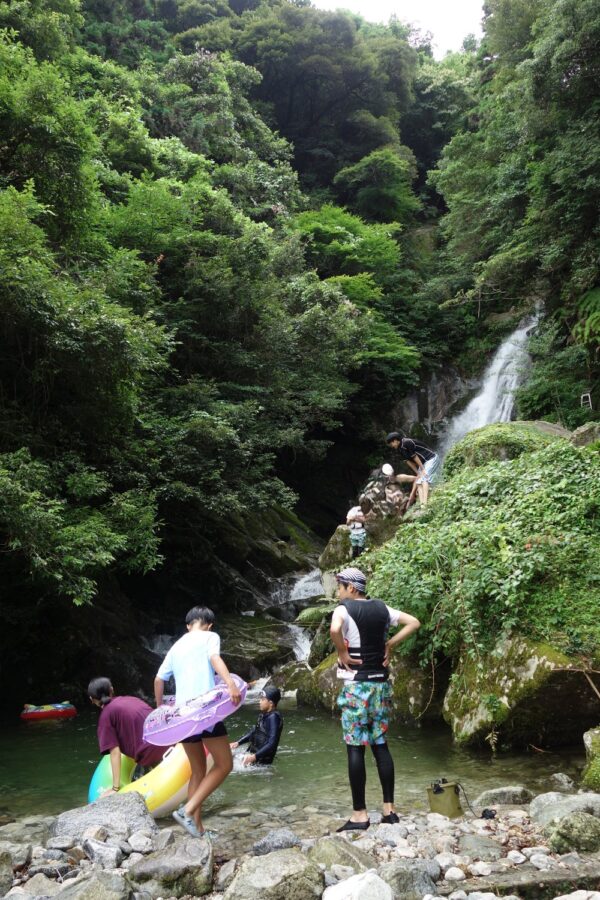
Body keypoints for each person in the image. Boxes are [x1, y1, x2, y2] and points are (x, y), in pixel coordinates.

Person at [330, 566, 420, 831]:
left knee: (355, 748)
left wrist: (342, 653)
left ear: (352, 588)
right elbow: (414, 622)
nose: (339, 591)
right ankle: (389, 811)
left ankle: (360, 814)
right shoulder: (383, 608)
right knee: (380, 744)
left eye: (341, 586)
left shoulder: (343, 610)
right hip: (380, 685)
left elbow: (336, 630)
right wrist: (390, 645)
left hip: (356, 687)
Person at [154, 606, 241, 838]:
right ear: (209, 624)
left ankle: (198, 830)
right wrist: (230, 684)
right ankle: (188, 810)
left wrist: (161, 707)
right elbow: (215, 658)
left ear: (188, 625)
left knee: (197, 771)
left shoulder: (176, 645)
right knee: (225, 765)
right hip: (205, 712)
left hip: (183, 716)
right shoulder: (210, 636)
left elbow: (159, 678)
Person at [88, 677, 165, 795]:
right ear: (112, 690)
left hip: (152, 755)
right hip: (169, 741)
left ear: (92, 699)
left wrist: (115, 788)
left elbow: (115, 752)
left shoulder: (105, 717)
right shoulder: (131, 699)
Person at [230, 685, 283, 766]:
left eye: (263, 699)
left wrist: (254, 757)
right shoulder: (264, 715)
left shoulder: (274, 717)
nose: (259, 701)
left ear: (271, 703)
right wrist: (238, 742)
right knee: (228, 757)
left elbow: (272, 743)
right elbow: (254, 732)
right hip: (253, 756)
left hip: (261, 762)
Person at [386, 431, 440, 507]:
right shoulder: (399, 449)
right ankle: (423, 505)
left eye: (391, 443)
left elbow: (415, 457)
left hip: (431, 458)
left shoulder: (406, 442)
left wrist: (423, 469)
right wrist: (418, 473)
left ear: (395, 440)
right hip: (424, 463)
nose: (391, 445)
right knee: (418, 481)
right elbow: (409, 462)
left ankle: (426, 503)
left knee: (425, 478)